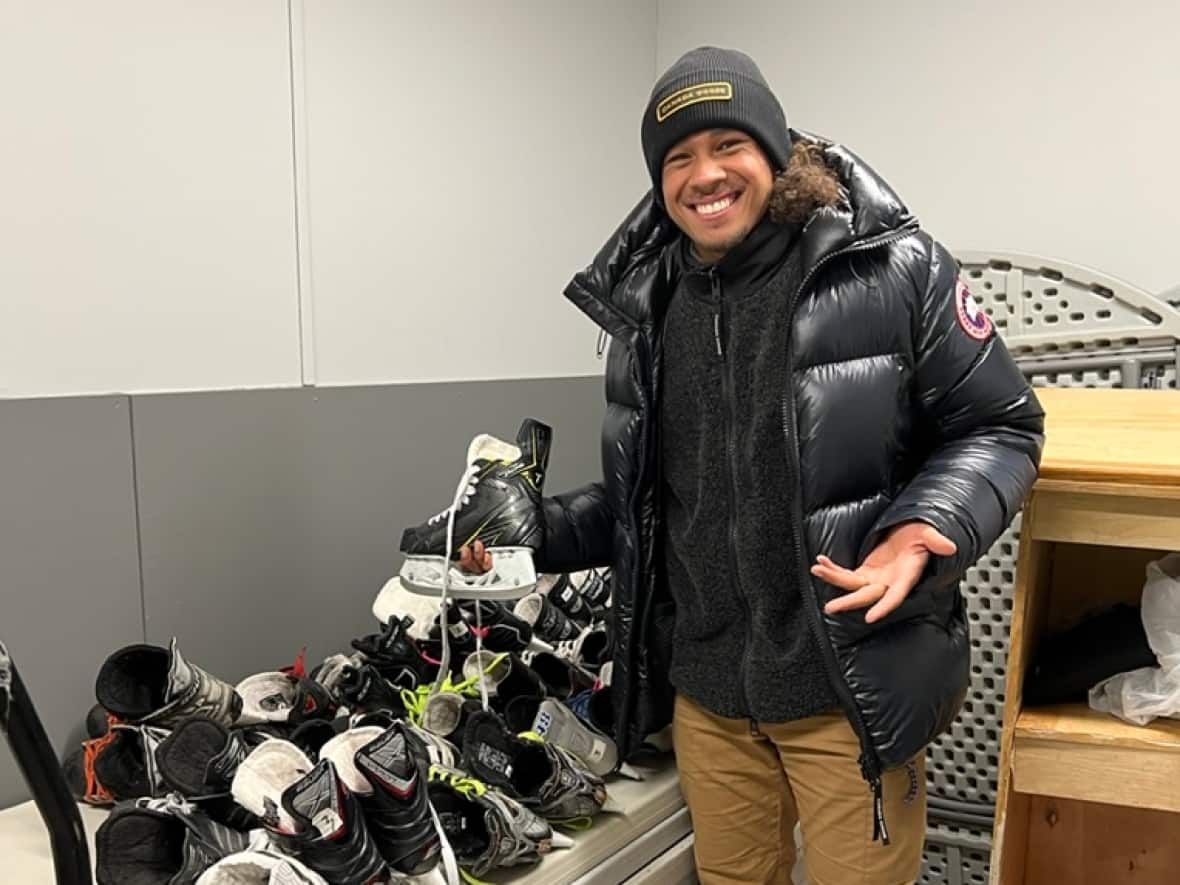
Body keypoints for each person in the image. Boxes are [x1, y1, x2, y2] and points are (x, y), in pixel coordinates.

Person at [462, 46, 1044, 884]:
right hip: (711, 700)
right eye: (678, 158)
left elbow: (1001, 423)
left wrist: (922, 528)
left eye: (727, 144)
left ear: (775, 151)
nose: (706, 175)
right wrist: (533, 533)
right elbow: (659, 499)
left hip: (845, 684)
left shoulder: (889, 268)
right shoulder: (650, 308)